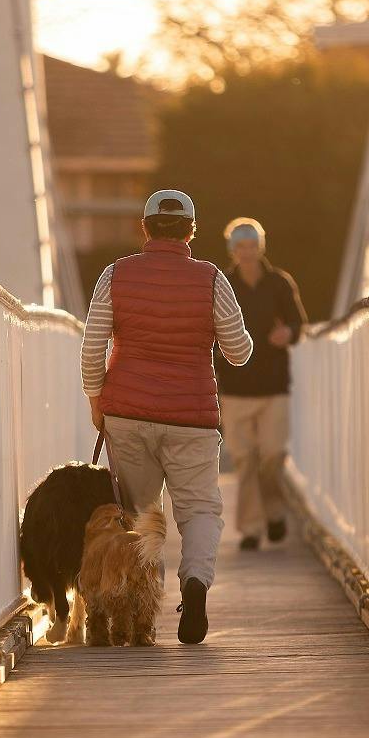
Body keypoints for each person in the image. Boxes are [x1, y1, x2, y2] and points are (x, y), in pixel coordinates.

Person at [80, 189, 253, 644]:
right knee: (198, 510)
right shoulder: (213, 280)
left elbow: (91, 345)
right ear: (191, 230)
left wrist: (96, 399)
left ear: (145, 227)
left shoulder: (114, 275)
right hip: (191, 416)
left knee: (139, 516)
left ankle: (140, 612)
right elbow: (239, 352)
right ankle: (194, 587)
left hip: (127, 415)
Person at [215, 218, 307, 550]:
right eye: (240, 247)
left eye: (252, 246)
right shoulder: (222, 285)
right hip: (235, 388)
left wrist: (288, 334)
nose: (247, 253)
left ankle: (275, 513)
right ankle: (252, 529)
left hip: (274, 387)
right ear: (233, 250)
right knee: (245, 461)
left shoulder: (279, 283)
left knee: (271, 456)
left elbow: (299, 324)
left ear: (260, 247)